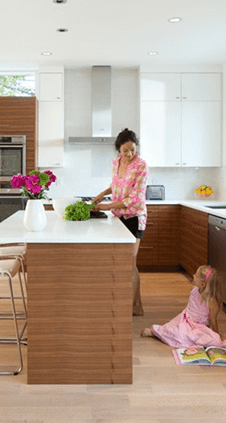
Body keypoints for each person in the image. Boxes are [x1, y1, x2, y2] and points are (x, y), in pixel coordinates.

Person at [92, 128, 148, 316]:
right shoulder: (116, 162)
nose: (130, 154)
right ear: (118, 150)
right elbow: (116, 185)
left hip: (134, 217)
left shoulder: (141, 165)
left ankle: (136, 306)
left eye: (133, 149)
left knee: (130, 262)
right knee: (121, 262)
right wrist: (102, 194)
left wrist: (107, 207)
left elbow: (135, 198)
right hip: (119, 216)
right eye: (125, 150)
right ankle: (126, 302)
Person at [140, 265, 226, 349]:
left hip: (199, 327)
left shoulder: (211, 300)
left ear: (203, 284)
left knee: (210, 339)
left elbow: (213, 320)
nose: (193, 276)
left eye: (196, 276)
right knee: (173, 330)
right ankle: (155, 333)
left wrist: (217, 336)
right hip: (185, 320)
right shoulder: (194, 290)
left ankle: (161, 335)